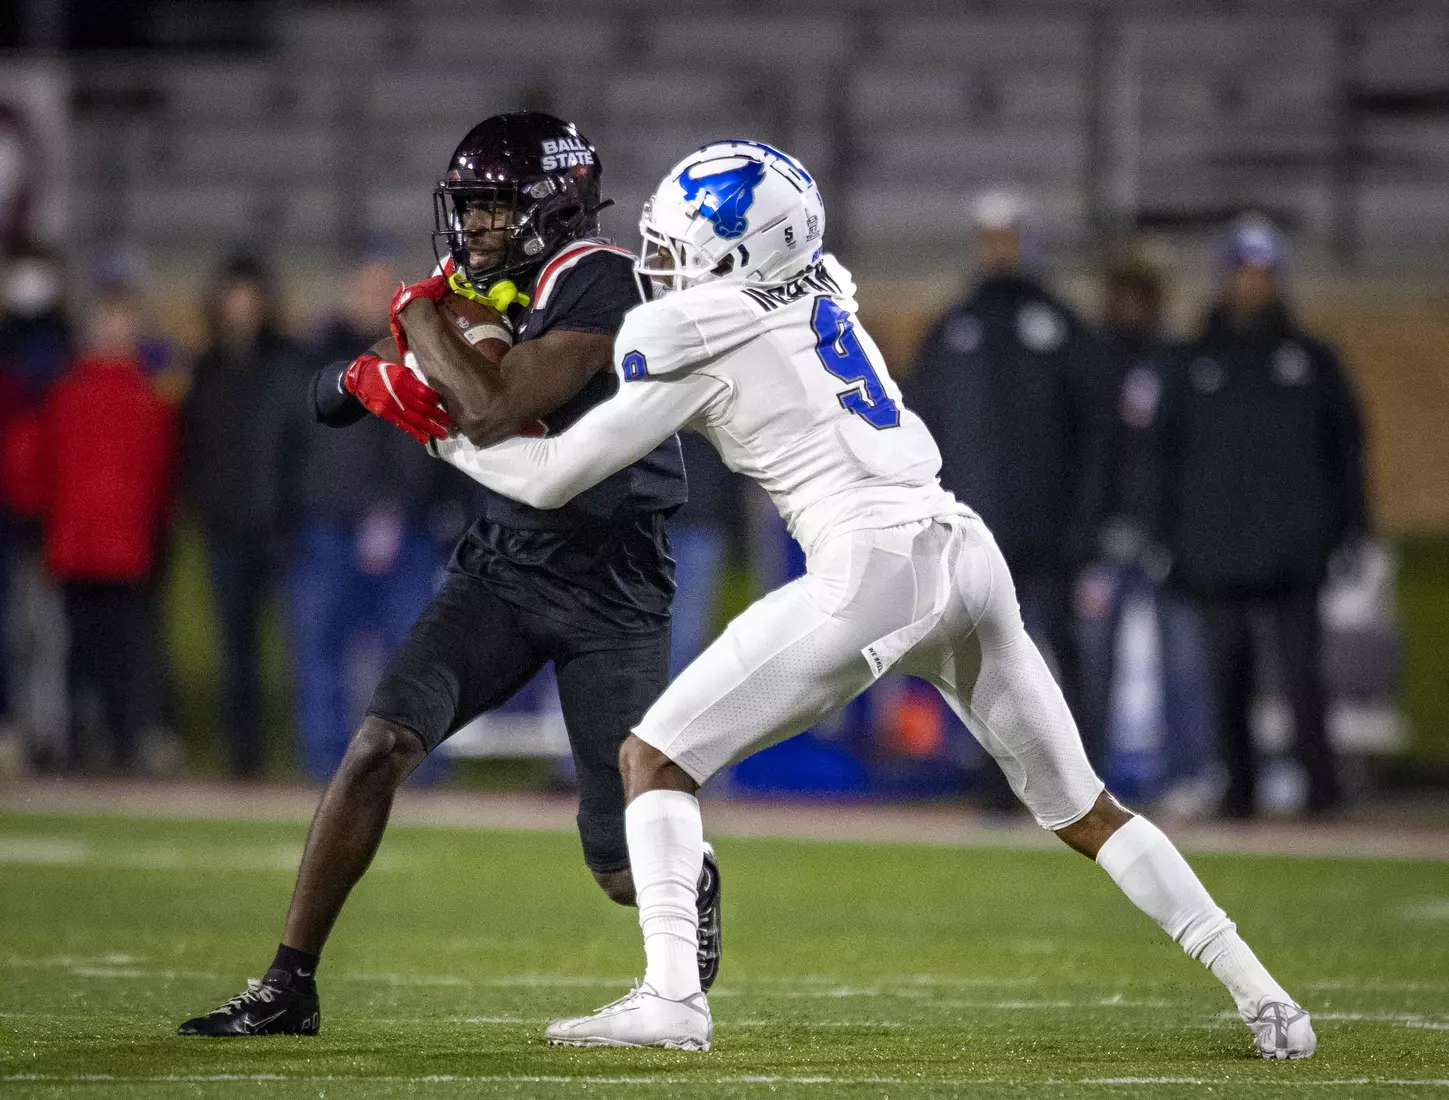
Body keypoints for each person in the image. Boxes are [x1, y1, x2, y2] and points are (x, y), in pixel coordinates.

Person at [432, 142, 1317, 1059]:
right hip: (961, 547)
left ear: (737, 251)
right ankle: (1266, 999)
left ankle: (671, 997)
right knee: (1087, 810)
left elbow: (548, 477)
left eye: (677, 245)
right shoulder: (818, 282)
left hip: (871, 565)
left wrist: (443, 437)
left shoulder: (698, 328)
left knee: (652, 760)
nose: (660, 264)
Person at [178, 113, 721, 1038]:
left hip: (612, 583)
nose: (474, 227)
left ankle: (686, 874)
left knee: (617, 868)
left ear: (554, 205)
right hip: (507, 565)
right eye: (467, 207)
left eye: (495, 208)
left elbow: (494, 406)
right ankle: (288, 983)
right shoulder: (497, 287)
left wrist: (418, 320)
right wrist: (366, 380)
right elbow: (338, 397)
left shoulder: (598, 276)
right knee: (379, 744)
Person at [1154, 216, 1366, 820]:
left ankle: (1322, 794)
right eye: (1244, 273)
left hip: (1295, 548)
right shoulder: (1192, 362)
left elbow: (1346, 451)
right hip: (1214, 549)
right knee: (1226, 677)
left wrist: (1351, 529)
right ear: (1227, 279)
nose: (1253, 285)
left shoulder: (1313, 360)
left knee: (1303, 678)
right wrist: (1164, 535)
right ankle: (1238, 791)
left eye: (1264, 273)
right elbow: (1161, 457)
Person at [904, 192, 1096, 764]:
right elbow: (920, 428)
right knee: (984, 660)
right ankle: (1000, 778)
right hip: (976, 527)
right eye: (989, 239)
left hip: (1055, 529)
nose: (998, 250)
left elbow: (1094, 430)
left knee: (1063, 651)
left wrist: (1088, 518)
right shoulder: (953, 328)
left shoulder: (1063, 328)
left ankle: (1080, 775)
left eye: (1008, 238)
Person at [281, 240, 473, 782]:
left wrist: (427, 509)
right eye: (364, 285)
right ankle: (326, 770)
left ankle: (420, 769)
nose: (372, 297)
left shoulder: (423, 354)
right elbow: (296, 442)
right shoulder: (315, 356)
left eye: (381, 285)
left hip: (406, 528)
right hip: (329, 524)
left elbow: (447, 435)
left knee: (417, 656)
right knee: (322, 652)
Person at [1073, 256, 1215, 802]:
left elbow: (1190, 456)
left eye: (1140, 297)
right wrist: (1087, 529)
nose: (1129, 308)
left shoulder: (1178, 364)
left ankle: (1189, 772)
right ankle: (1084, 781)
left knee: (1182, 660)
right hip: (1104, 538)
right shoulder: (1090, 361)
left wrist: (1176, 529)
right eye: (1121, 296)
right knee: (1092, 662)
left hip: (1167, 538)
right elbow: (1084, 452)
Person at [19, 289, 175, 772]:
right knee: (76, 658)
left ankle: (122, 746)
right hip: (80, 549)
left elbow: (162, 478)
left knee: (123, 659)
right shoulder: (68, 394)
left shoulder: (149, 398)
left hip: (123, 551)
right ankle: (75, 746)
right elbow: (37, 468)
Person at [181, 254, 295, 779]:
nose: (243, 307)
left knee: (297, 647)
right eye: (235, 296)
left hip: (280, 528)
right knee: (236, 649)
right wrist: (204, 505)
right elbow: (194, 446)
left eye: (251, 297)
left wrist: (289, 508)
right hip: (227, 530)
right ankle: (243, 756)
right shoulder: (207, 368)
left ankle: (311, 752)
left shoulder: (286, 363)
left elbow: (300, 443)